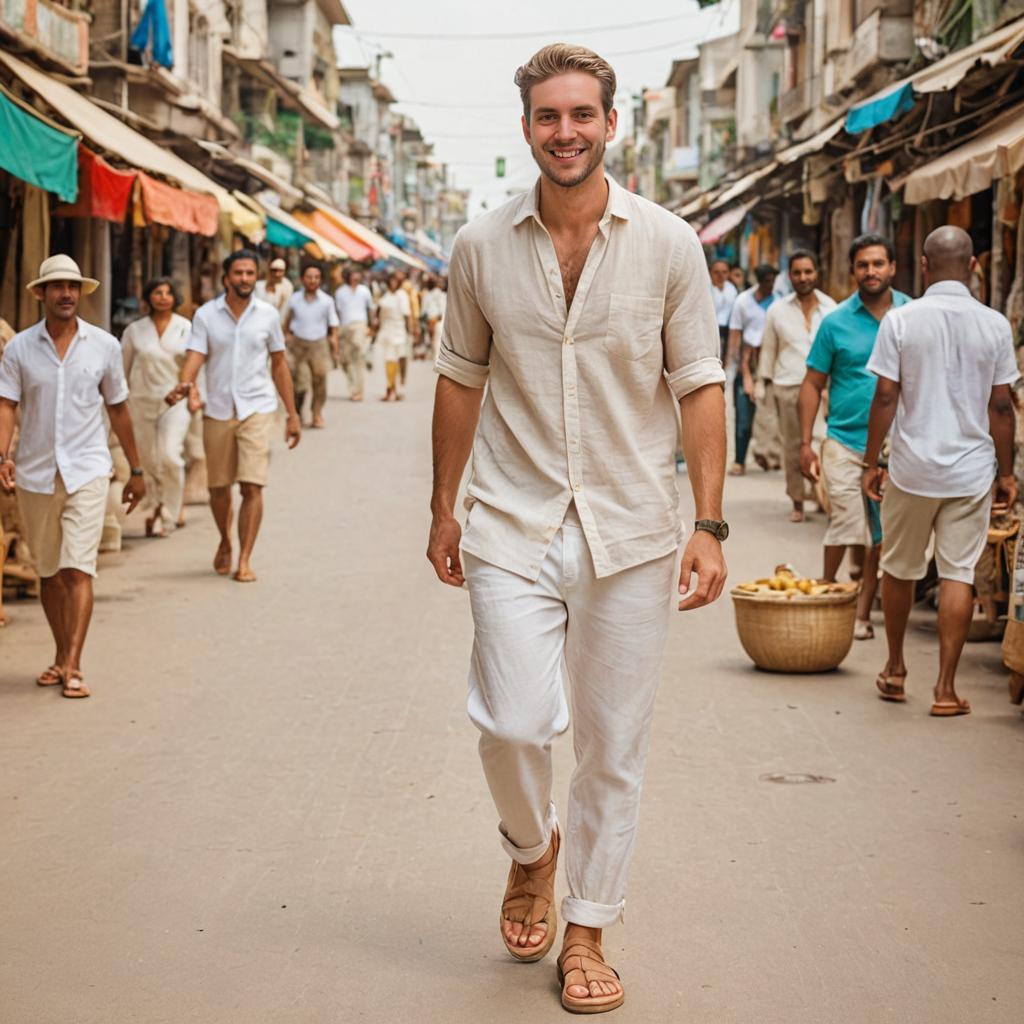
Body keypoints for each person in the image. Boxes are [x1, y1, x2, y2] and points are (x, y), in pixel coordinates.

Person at [426, 44, 727, 1015]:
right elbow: (459, 379)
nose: (566, 132)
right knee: (510, 720)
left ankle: (589, 927)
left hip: (632, 529)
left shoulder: (669, 243)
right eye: (548, 117)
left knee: (612, 741)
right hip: (511, 520)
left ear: (610, 124)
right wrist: (442, 502)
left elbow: (700, 385)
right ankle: (532, 847)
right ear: (526, 130)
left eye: (582, 115)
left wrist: (710, 521)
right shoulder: (479, 246)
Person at [862, 226, 1018, 715]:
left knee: (900, 567)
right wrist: (1008, 474)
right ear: (973, 266)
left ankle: (895, 668)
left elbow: (886, 396)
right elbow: (1002, 408)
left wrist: (871, 461)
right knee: (958, 573)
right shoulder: (995, 325)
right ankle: (946, 690)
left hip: (911, 468)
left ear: (923, 267)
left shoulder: (901, 320)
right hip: (971, 471)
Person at [0, 255, 145, 698]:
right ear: (40, 293)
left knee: (79, 569)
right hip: (36, 472)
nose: (66, 293)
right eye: (57, 286)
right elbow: (6, 404)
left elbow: (118, 407)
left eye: (73, 286)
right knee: (49, 571)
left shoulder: (103, 345)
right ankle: (60, 655)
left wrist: (137, 470)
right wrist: (2, 454)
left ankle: (75, 666)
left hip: (87, 469)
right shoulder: (19, 348)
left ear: (80, 293)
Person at [799, 233, 910, 640]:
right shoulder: (836, 322)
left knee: (882, 535)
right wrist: (805, 441)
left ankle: (861, 614)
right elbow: (812, 384)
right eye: (863, 265)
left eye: (878, 263)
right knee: (847, 523)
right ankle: (826, 595)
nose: (871, 271)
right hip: (844, 441)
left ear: (893, 268)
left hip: (899, 446)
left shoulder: (913, 315)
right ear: (853, 271)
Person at [166, 250, 301, 583]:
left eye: (250, 273)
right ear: (226, 278)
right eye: (238, 273)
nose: (244, 279)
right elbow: (196, 354)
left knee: (252, 485)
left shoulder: (268, 315)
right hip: (218, 408)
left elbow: (279, 362)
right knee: (219, 488)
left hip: (258, 407)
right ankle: (225, 540)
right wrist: (185, 383)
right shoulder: (206, 315)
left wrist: (292, 413)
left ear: (256, 276)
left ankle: (244, 557)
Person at [758, 251, 836, 522]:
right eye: (797, 273)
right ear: (789, 276)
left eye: (808, 272)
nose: (803, 278)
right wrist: (762, 385)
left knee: (822, 443)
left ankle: (819, 496)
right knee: (793, 446)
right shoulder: (777, 310)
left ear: (817, 273)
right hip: (788, 384)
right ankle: (798, 501)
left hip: (822, 387)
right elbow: (768, 350)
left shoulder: (831, 309)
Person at [121, 277, 192, 537]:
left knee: (170, 455)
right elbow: (122, 368)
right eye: (157, 292)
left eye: (168, 292)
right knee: (148, 461)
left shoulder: (185, 328)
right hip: (140, 401)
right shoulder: (135, 331)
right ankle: (157, 506)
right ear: (148, 297)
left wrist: (195, 394)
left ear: (175, 297)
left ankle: (170, 512)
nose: (163, 297)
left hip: (174, 402)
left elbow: (194, 364)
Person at [728, 263, 777, 474]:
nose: (771, 285)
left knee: (769, 416)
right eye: (767, 281)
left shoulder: (779, 302)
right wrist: (740, 370)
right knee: (744, 415)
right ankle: (739, 460)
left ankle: (767, 455)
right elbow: (735, 336)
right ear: (759, 280)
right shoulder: (743, 302)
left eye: (773, 280)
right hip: (748, 363)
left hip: (772, 363)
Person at [283, 264, 338, 429]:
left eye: (316, 277)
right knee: (299, 383)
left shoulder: (327, 301)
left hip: (319, 344)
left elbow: (333, 326)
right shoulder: (294, 299)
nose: (313, 280)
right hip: (298, 344)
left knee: (320, 380)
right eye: (309, 277)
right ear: (302, 279)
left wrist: (335, 348)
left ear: (320, 279)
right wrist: (286, 338)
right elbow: (286, 322)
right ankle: (297, 413)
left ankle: (317, 413)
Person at [334, 267, 375, 402]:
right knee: (345, 361)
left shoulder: (364, 291)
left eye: (357, 273)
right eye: (353, 274)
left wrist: (371, 326)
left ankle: (358, 390)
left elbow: (370, 309)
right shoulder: (340, 292)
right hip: (344, 327)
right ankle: (352, 388)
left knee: (357, 359)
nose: (355, 277)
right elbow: (338, 312)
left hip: (359, 326)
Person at [377, 272, 412, 401]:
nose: (393, 283)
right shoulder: (385, 296)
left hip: (399, 333)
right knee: (389, 360)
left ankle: (394, 389)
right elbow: (379, 314)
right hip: (386, 332)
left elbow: (407, 315)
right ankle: (390, 388)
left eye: (395, 280)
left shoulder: (402, 296)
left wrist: (410, 332)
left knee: (397, 361)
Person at [709, 258, 737, 363]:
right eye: (716, 272)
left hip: (728, 331)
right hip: (710, 331)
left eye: (724, 272)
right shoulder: (705, 288)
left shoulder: (732, 289)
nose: (720, 276)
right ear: (710, 272)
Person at [421, 275, 447, 362]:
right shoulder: (438, 294)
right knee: (436, 340)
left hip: (433, 320)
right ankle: (436, 358)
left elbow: (424, 310)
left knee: (435, 340)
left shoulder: (431, 294)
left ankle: (436, 357)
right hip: (435, 320)